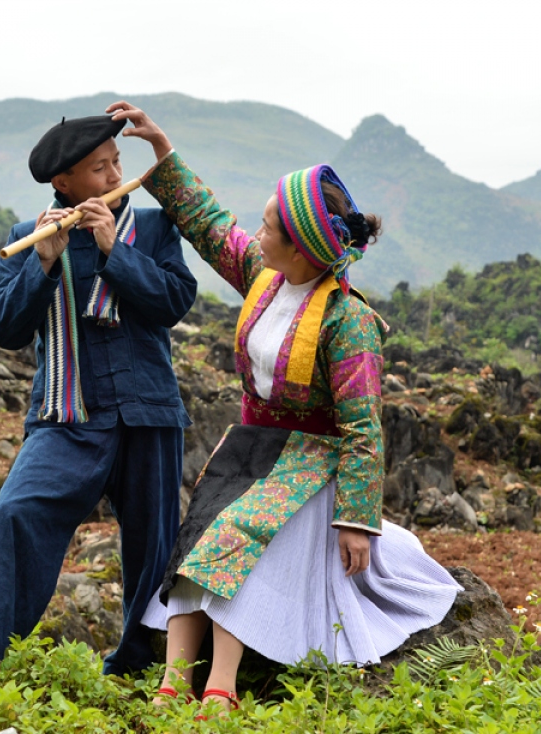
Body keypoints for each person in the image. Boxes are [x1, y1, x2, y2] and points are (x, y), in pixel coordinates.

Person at [106, 100, 464, 716]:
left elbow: (361, 427)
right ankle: (172, 683)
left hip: (309, 458)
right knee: (195, 544)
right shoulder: (264, 277)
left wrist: (356, 519)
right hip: (249, 448)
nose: (257, 232)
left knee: (233, 538)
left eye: (270, 225)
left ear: (299, 249)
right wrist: (163, 157)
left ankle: (220, 687)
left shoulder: (348, 322)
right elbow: (210, 224)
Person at [0, 115, 198, 674]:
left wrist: (118, 250)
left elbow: (173, 302)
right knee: (14, 516)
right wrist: (43, 262)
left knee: (154, 549)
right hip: (66, 416)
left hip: (148, 411)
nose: (117, 173)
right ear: (64, 183)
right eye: (101, 168)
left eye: (117, 161)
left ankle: (140, 666)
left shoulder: (156, 230)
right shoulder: (32, 235)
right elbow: (4, 330)